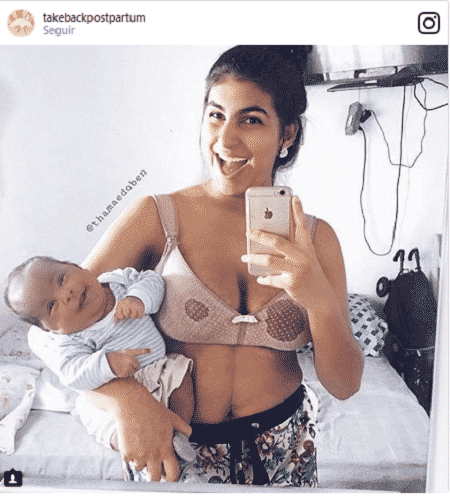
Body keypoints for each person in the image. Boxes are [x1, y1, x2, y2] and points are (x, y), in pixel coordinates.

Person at [30, 45, 364, 486]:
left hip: (284, 448)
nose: (225, 141)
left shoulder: (317, 239)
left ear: (287, 134)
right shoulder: (156, 217)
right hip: (173, 453)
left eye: (251, 120)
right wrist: (127, 401)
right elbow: (50, 335)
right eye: (215, 116)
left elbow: (344, 384)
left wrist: (318, 300)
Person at [3, 256, 196, 466]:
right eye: (51, 305)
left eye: (61, 279)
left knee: (181, 378)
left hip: (159, 369)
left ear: (76, 266)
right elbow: (73, 373)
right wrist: (107, 364)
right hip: (116, 389)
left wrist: (139, 297)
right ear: (48, 329)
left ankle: (178, 435)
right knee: (95, 415)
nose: (66, 294)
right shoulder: (71, 339)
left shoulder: (117, 281)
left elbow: (153, 280)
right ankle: (141, 452)